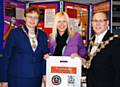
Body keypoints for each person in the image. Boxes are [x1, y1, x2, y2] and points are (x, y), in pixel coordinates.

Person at [4, 6, 49, 87]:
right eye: (30, 17)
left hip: (36, 78)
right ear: (25, 18)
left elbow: (44, 57)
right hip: (17, 78)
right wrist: (3, 80)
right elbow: (6, 57)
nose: (32, 20)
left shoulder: (42, 35)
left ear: (38, 20)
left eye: (35, 17)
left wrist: (45, 75)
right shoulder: (15, 33)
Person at [86, 12, 120, 87]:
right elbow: (93, 63)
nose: (97, 24)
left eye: (101, 21)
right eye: (95, 21)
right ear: (91, 23)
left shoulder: (115, 42)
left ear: (107, 23)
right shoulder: (92, 40)